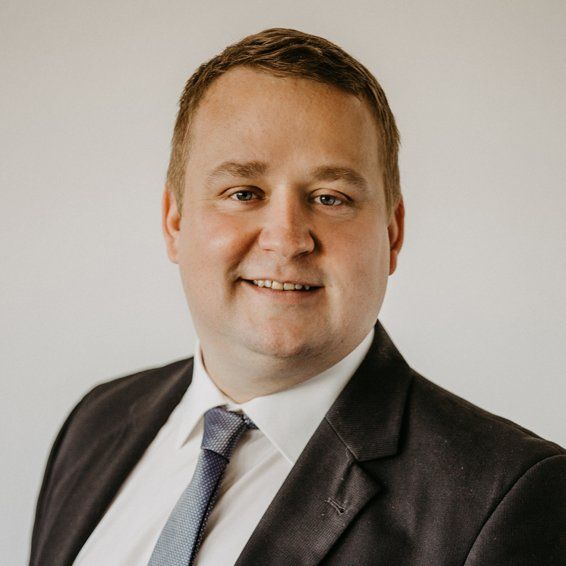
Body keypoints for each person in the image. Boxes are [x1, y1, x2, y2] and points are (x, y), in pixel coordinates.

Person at [30, 28, 565, 566]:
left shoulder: (510, 496)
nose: (286, 239)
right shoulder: (96, 421)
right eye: (244, 193)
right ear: (175, 221)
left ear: (392, 233)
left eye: (330, 198)